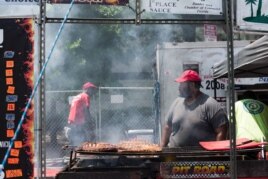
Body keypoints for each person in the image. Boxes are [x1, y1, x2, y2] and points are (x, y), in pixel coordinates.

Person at [161, 70, 229, 147]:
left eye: (181, 84)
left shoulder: (210, 104)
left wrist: (217, 154)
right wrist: (162, 148)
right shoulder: (176, 102)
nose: (179, 88)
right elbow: (167, 127)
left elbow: (222, 131)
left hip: (200, 157)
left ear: (192, 85)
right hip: (174, 156)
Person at [67, 82, 97, 146]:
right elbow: (86, 109)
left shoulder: (78, 96)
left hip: (72, 119)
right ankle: (82, 154)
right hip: (78, 120)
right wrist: (90, 121)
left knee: (75, 138)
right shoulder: (86, 96)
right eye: (91, 89)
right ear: (87, 89)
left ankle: (72, 153)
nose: (92, 91)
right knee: (84, 139)